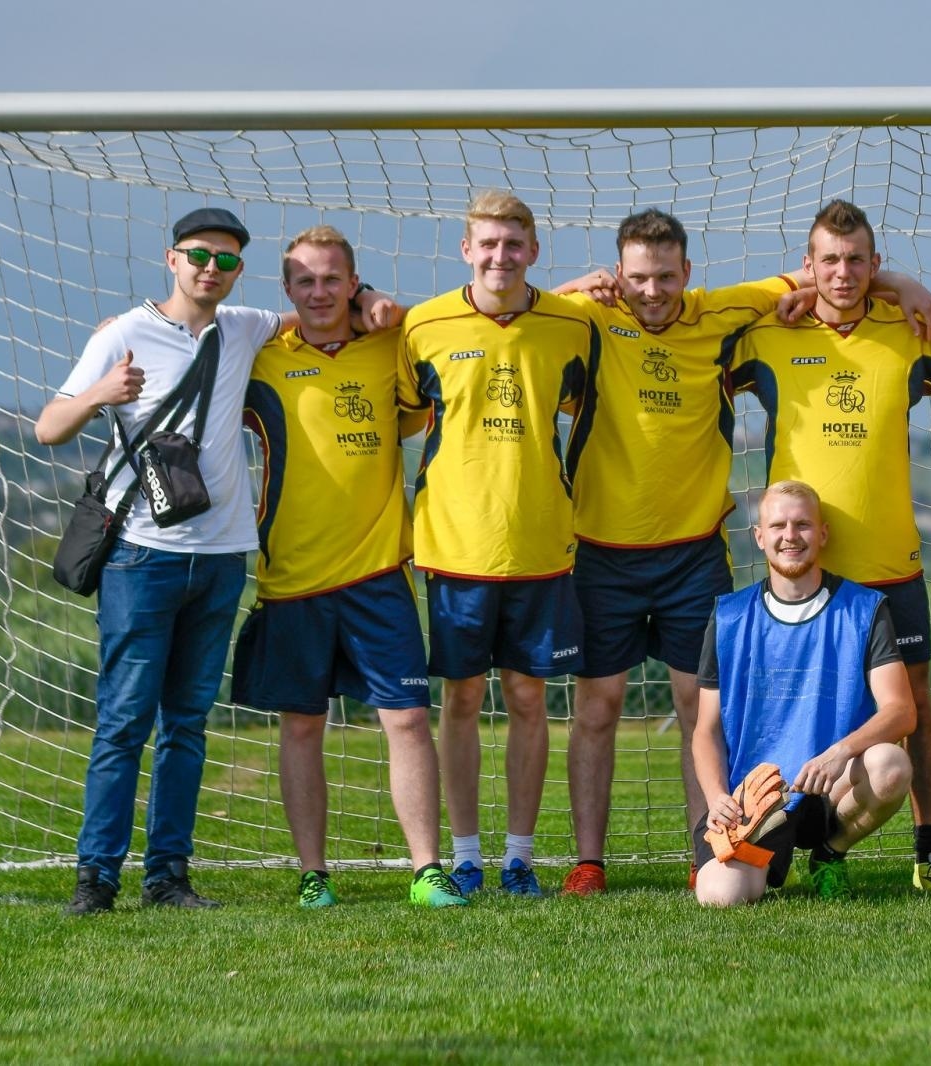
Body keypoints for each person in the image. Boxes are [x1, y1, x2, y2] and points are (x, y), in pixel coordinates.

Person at [554, 209, 931, 895]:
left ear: (687, 272)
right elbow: (523, 316)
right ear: (617, 274)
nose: (651, 290)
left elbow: (827, 276)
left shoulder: (725, 314)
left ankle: (708, 846)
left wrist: (903, 284)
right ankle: (590, 861)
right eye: (637, 277)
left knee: (696, 708)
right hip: (604, 549)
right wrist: (572, 288)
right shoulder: (590, 318)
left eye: (665, 276)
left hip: (693, 550)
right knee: (598, 705)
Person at [34, 208, 292, 912]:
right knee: (124, 721)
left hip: (222, 557)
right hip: (141, 557)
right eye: (200, 255)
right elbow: (49, 427)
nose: (212, 268)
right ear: (171, 258)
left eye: (227, 260)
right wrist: (100, 394)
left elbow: (323, 312)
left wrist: (369, 298)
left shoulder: (246, 326)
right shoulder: (122, 333)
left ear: (239, 270)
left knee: (187, 723)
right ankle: (96, 878)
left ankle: (168, 877)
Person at [727, 199, 931, 892]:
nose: (843, 272)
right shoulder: (769, 332)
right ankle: (759, 832)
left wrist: (905, 288)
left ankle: (930, 852)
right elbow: (696, 326)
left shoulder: (911, 330)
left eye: (857, 260)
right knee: (786, 700)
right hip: (802, 574)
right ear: (807, 265)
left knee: (915, 705)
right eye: (828, 260)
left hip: (890, 564)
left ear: (875, 264)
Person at [233, 225, 465, 909]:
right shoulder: (260, 359)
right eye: (305, 280)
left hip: (378, 574)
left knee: (408, 720)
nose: (319, 292)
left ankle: (427, 871)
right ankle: (314, 875)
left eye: (333, 279)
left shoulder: (391, 345)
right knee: (302, 725)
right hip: (292, 578)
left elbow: (459, 326)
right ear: (286, 289)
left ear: (354, 282)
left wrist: (380, 307)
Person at [397, 190, 590, 898]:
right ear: (465, 250)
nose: (500, 256)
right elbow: (403, 417)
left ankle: (519, 858)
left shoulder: (573, 325)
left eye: (513, 244)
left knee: (529, 698)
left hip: (541, 542)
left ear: (533, 251)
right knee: (462, 700)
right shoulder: (422, 325)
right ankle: (466, 856)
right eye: (488, 244)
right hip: (455, 545)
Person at [692, 480, 915, 905]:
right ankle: (759, 860)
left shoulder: (864, 609)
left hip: (828, 788)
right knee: (722, 897)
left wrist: (840, 752)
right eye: (778, 526)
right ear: (759, 537)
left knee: (891, 763)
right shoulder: (729, 616)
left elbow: (902, 712)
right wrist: (717, 796)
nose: (790, 536)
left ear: (823, 534)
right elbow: (706, 729)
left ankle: (830, 854)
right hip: (754, 800)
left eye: (802, 525)